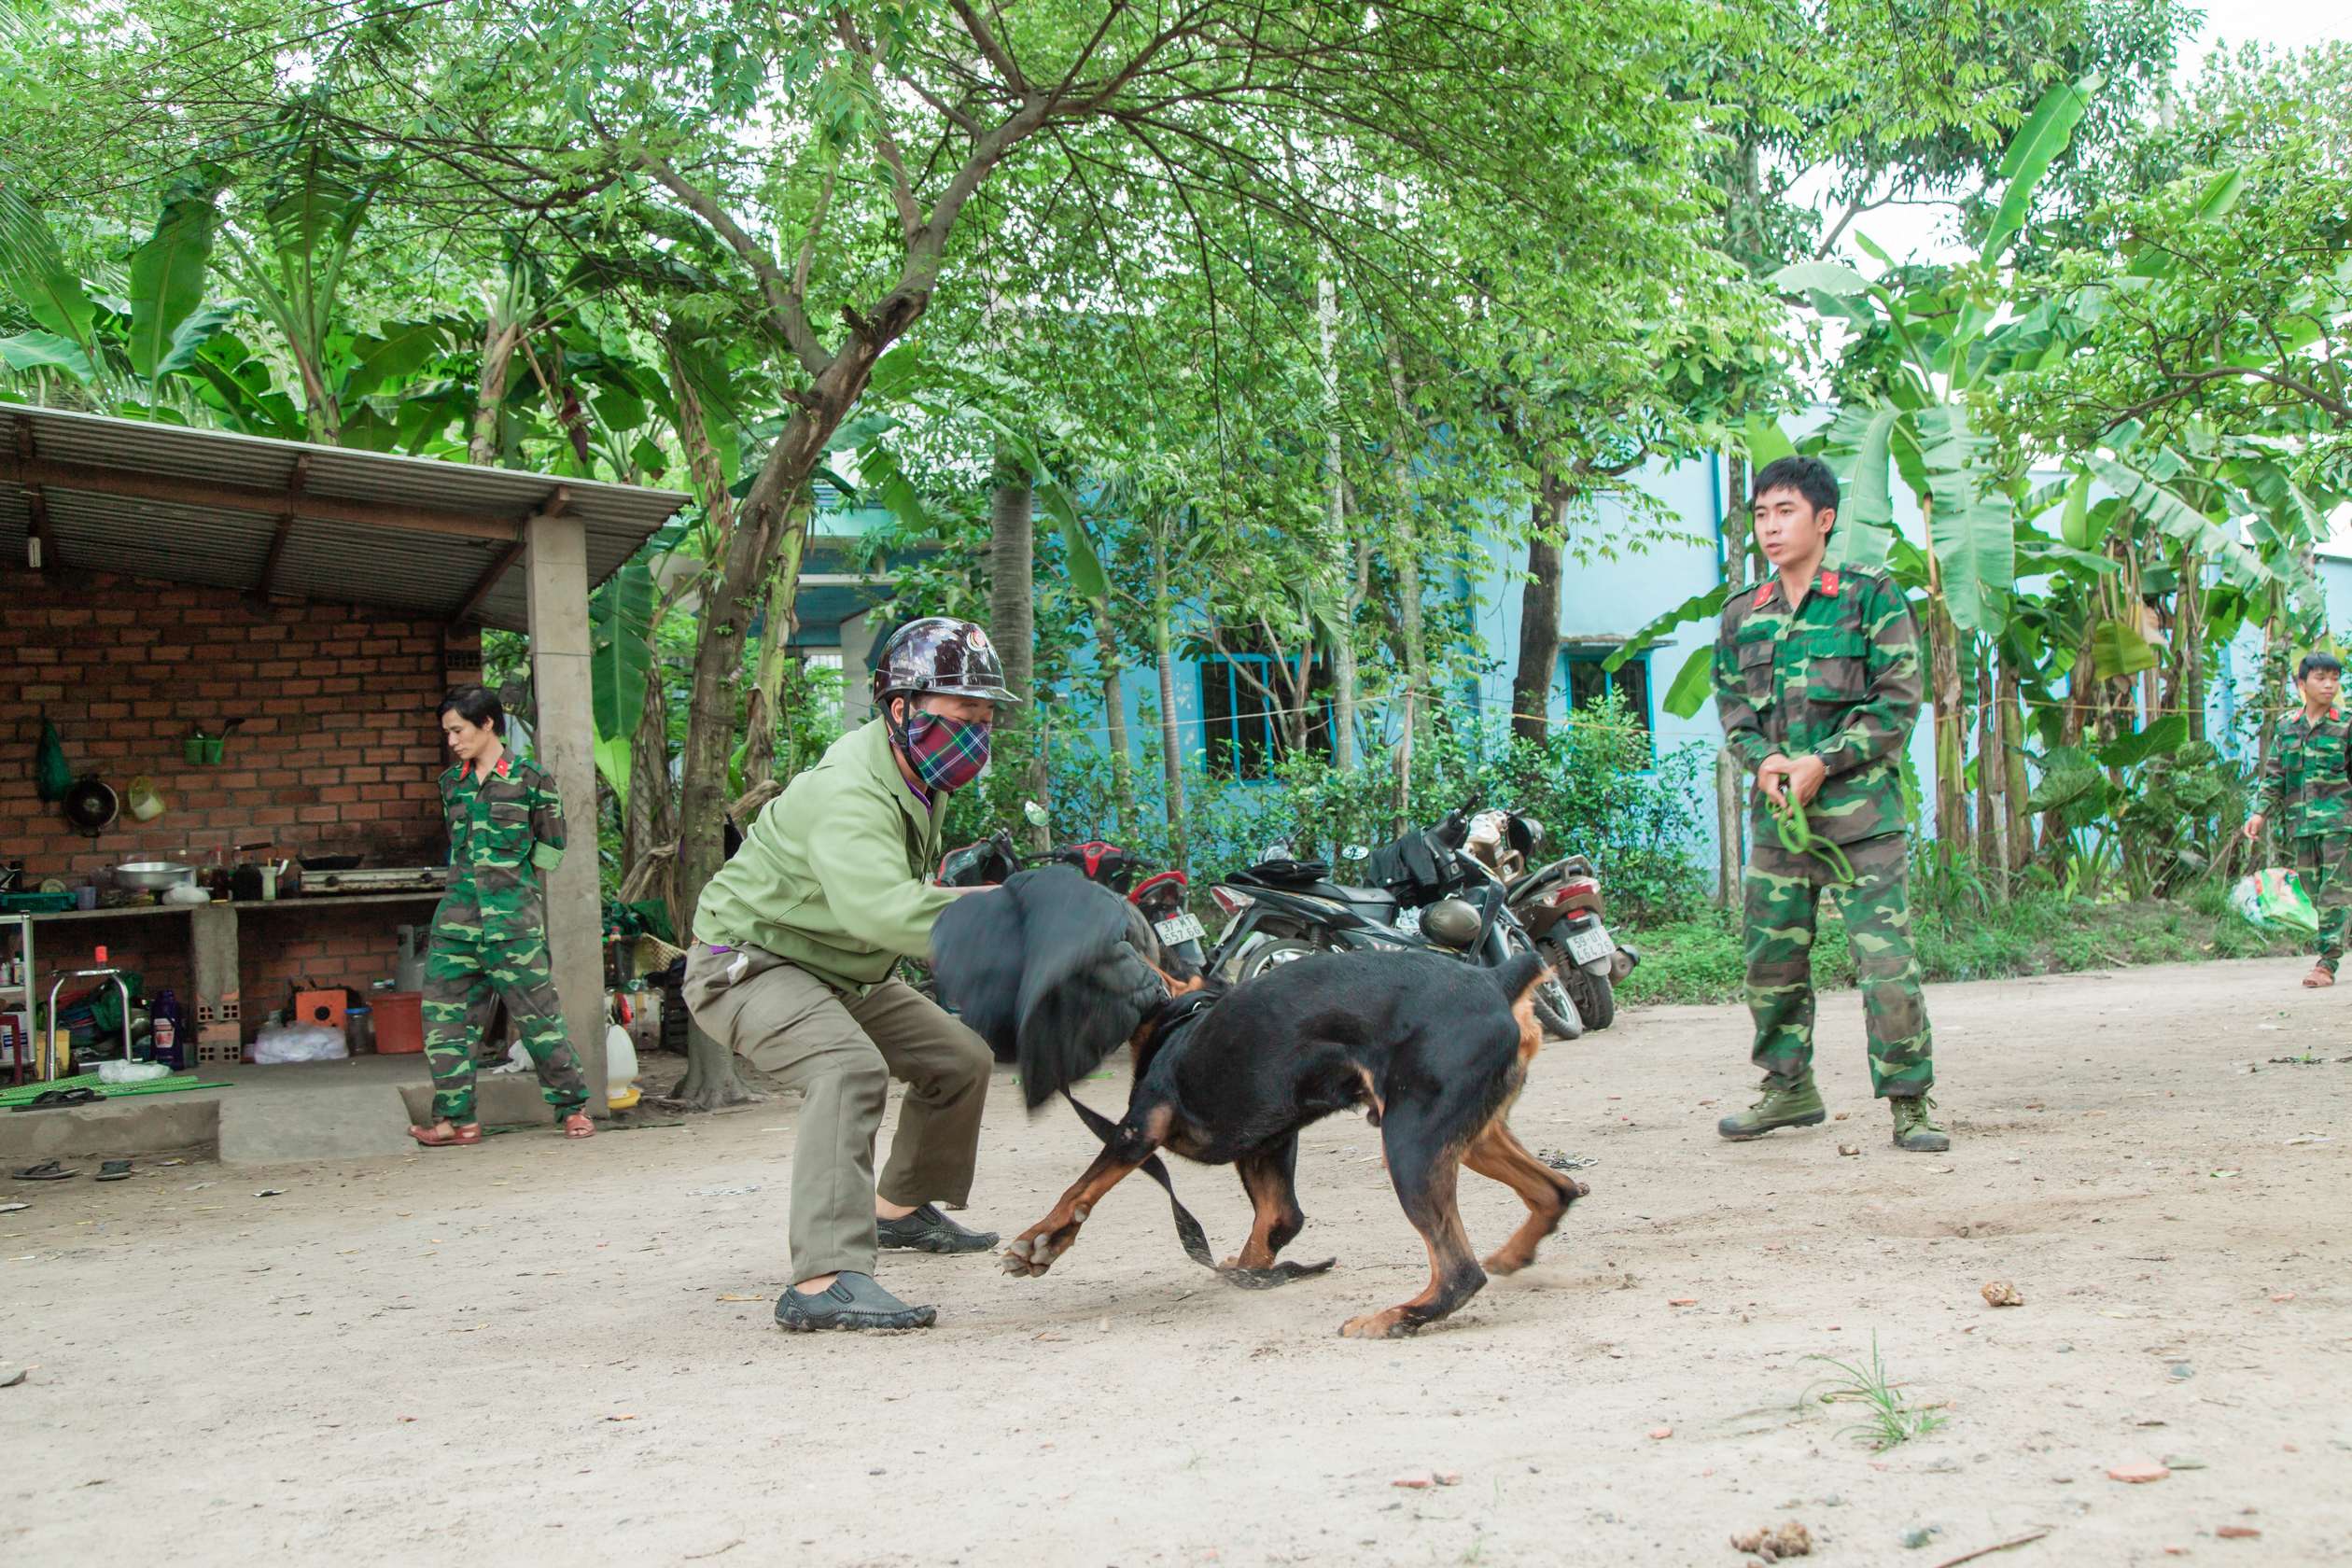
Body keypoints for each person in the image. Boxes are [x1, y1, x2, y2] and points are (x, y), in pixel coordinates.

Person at [684, 616, 1011, 1332]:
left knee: (959, 1060)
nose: (978, 733)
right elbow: (882, 912)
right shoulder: (850, 789)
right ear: (901, 707)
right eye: (964, 714)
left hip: (836, 966)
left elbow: (895, 903)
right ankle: (823, 1281)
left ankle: (895, 1209)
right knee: (847, 1068)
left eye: (987, 718)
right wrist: (1008, 923)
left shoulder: (918, 774)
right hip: (747, 963)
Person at [1710, 455, 1947, 1153]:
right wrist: (1767, 762)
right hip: (1781, 829)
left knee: (1887, 969)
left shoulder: (1871, 598)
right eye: (1760, 514)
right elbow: (1733, 712)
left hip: (1864, 824)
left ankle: (1910, 1102)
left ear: (1824, 519)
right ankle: (1788, 1089)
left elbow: (1898, 702)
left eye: (1785, 512)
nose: (1771, 527)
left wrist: (1825, 761)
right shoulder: (1741, 616)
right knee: (1771, 965)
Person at [408, 685, 595, 1146]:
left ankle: (572, 1110)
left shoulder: (532, 780)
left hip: (514, 926)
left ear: (488, 723)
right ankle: (457, 1122)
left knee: (540, 1020)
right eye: (447, 733)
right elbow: (459, 850)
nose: (452, 741)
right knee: (444, 1024)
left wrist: (511, 887)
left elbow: (551, 849)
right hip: (456, 926)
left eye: (458, 730)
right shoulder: (451, 785)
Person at [2243, 651, 2352, 987]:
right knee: (2313, 889)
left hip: (2340, 823)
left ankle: (2326, 963)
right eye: (2321, 678)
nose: (2329, 685)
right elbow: (2275, 774)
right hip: (2301, 824)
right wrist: (2259, 813)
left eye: (2334, 678)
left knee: (2334, 892)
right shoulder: (2286, 726)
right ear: (2301, 684)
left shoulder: (2346, 725)